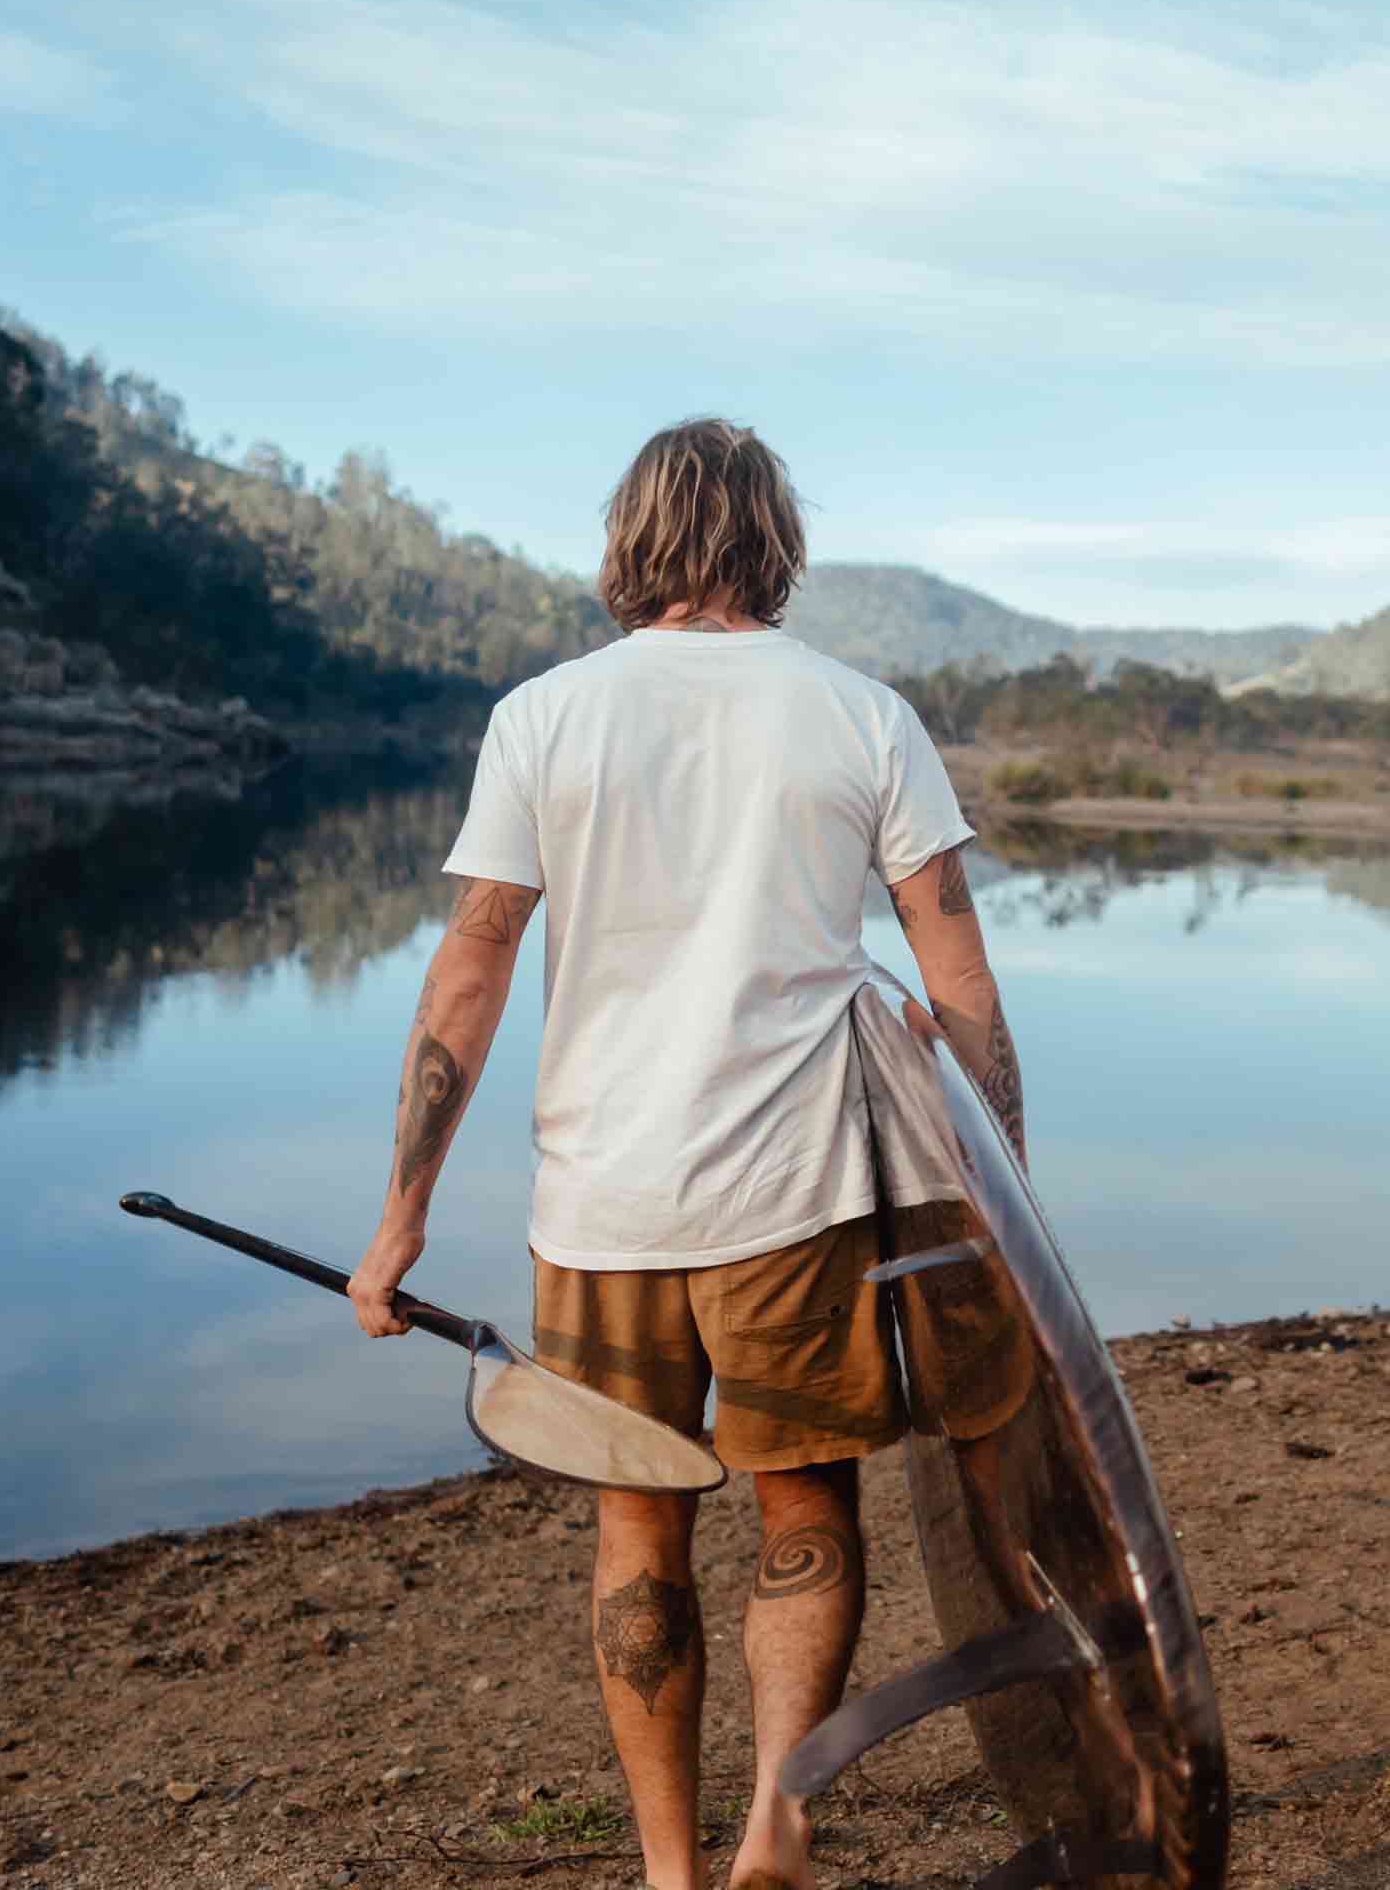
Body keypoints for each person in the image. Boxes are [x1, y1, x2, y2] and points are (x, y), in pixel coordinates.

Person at [344, 417, 1025, 1890]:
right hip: (795, 1195)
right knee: (803, 1511)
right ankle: (777, 1814)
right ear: (775, 540)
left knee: (635, 1525)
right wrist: (1009, 1199)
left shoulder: (544, 718)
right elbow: (956, 970)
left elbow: (470, 967)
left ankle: (667, 1870)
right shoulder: (860, 714)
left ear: (632, 538)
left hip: (601, 1204)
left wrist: (401, 1217)